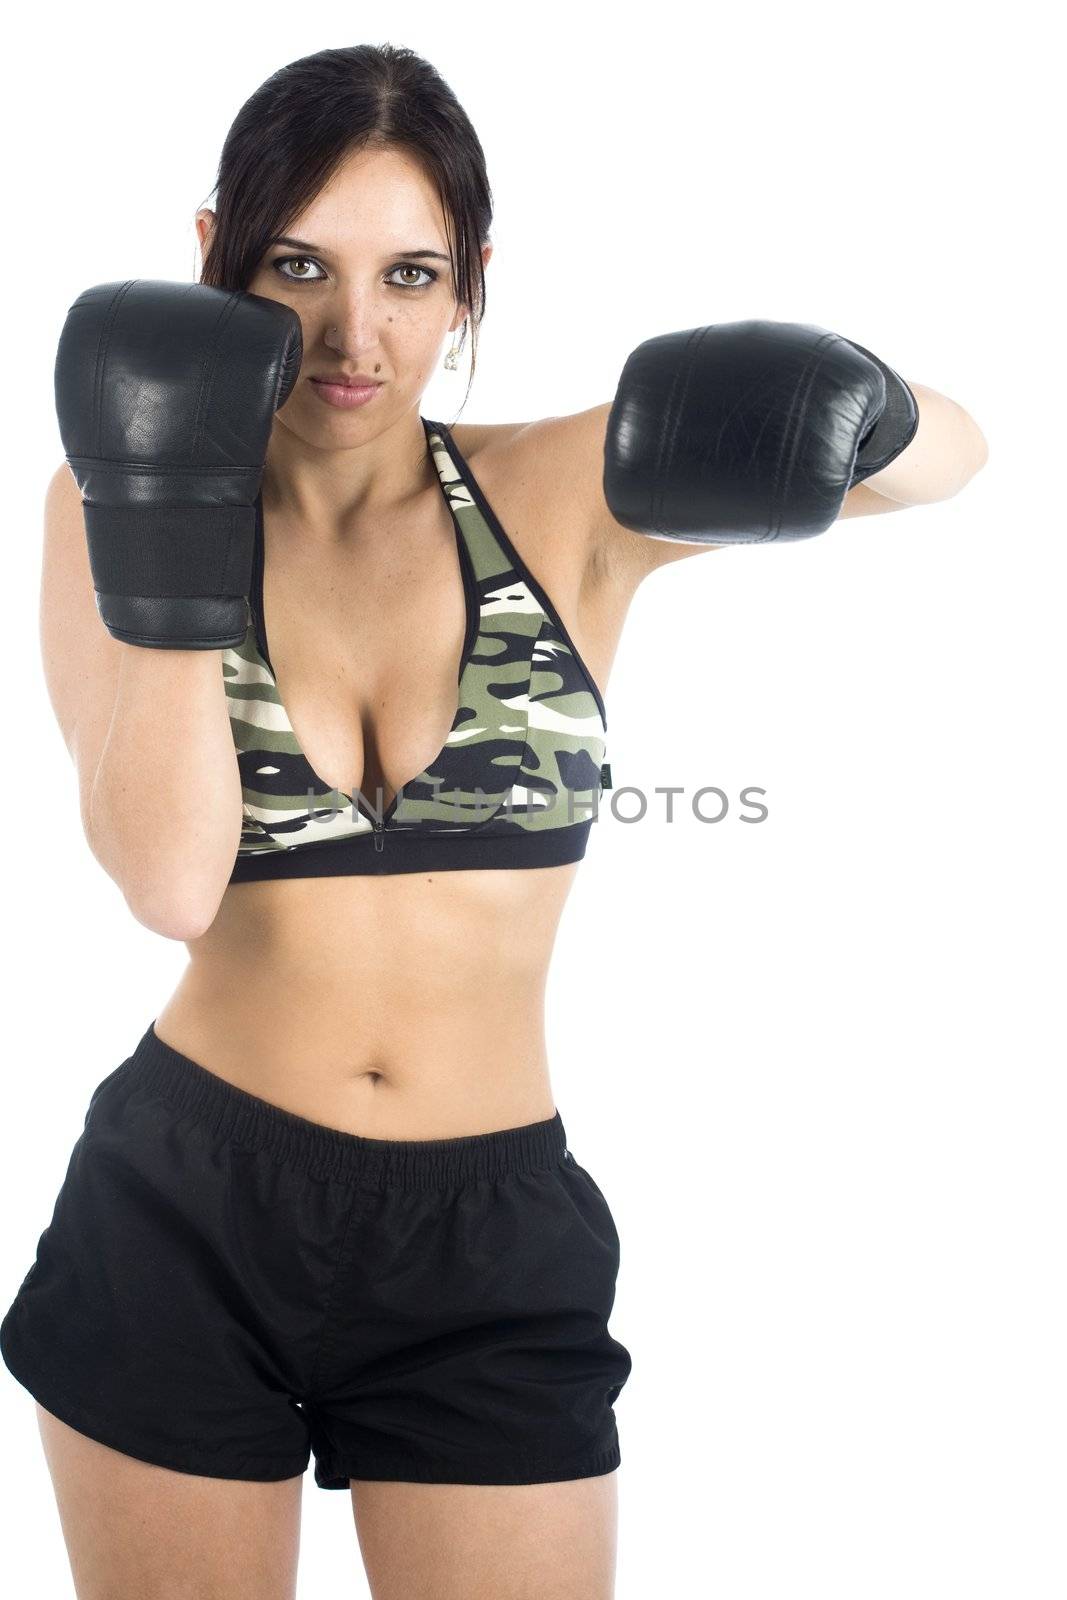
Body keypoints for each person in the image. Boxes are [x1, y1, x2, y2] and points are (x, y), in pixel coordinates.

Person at [0, 42, 988, 1600]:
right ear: (211, 257)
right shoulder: (112, 491)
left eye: (410, 273)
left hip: (487, 1232)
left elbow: (951, 462)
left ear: (471, 283)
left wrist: (847, 396)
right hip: (180, 1206)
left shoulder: (563, 490)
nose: (354, 332)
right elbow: (171, 877)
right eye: (296, 265)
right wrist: (174, 509)